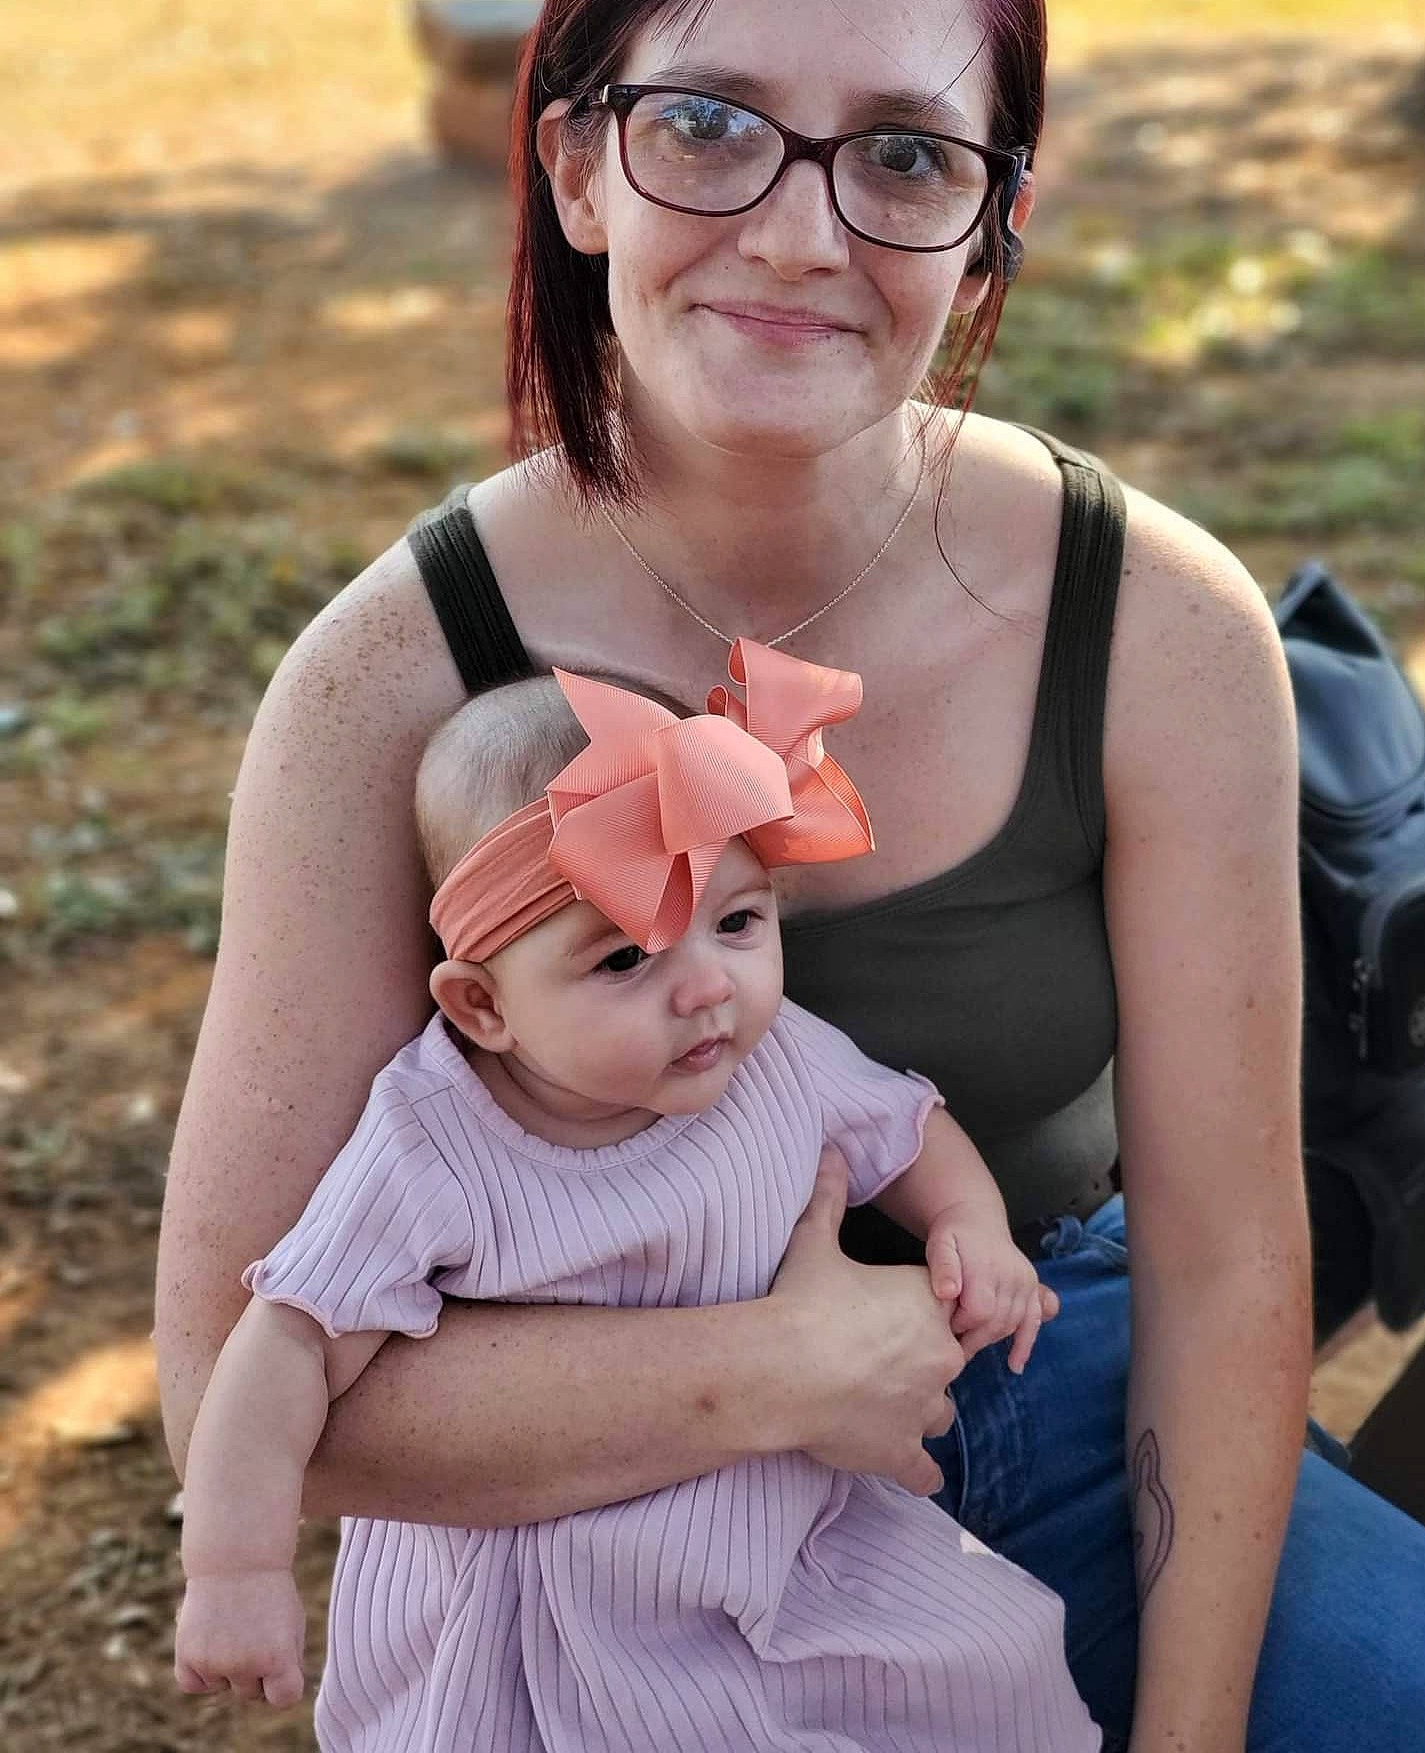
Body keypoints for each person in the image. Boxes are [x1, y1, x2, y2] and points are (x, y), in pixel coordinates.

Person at [155, 0, 1425, 1753]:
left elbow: (1237, 1274)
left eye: (902, 154)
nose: (803, 235)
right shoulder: (385, 681)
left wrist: (1195, 1728)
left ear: (992, 231)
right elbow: (228, 1387)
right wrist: (782, 1372)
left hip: (1069, 1424)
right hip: (589, 1550)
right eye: (709, 125)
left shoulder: (1157, 626)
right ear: (572, 170)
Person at [171, 653, 1100, 1749]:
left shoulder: (770, 1054)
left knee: (985, 1676)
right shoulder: (435, 1141)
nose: (707, 983)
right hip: (545, 1607)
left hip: (787, 1535)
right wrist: (233, 1566)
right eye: (623, 957)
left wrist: (968, 1226)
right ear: (483, 1007)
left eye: (739, 922)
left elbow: (902, 1124)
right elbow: (287, 1339)